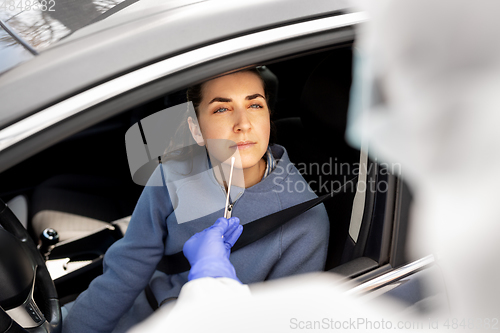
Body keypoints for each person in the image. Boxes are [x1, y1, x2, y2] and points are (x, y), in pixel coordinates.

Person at [62, 68, 330, 333]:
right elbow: (128, 265)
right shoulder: (173, 173)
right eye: (222, 109)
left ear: (269, 117)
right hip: (131, 310)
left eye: (255, 105)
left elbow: (274, 324)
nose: (244, 124)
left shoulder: (304, 222)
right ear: (197, 129)